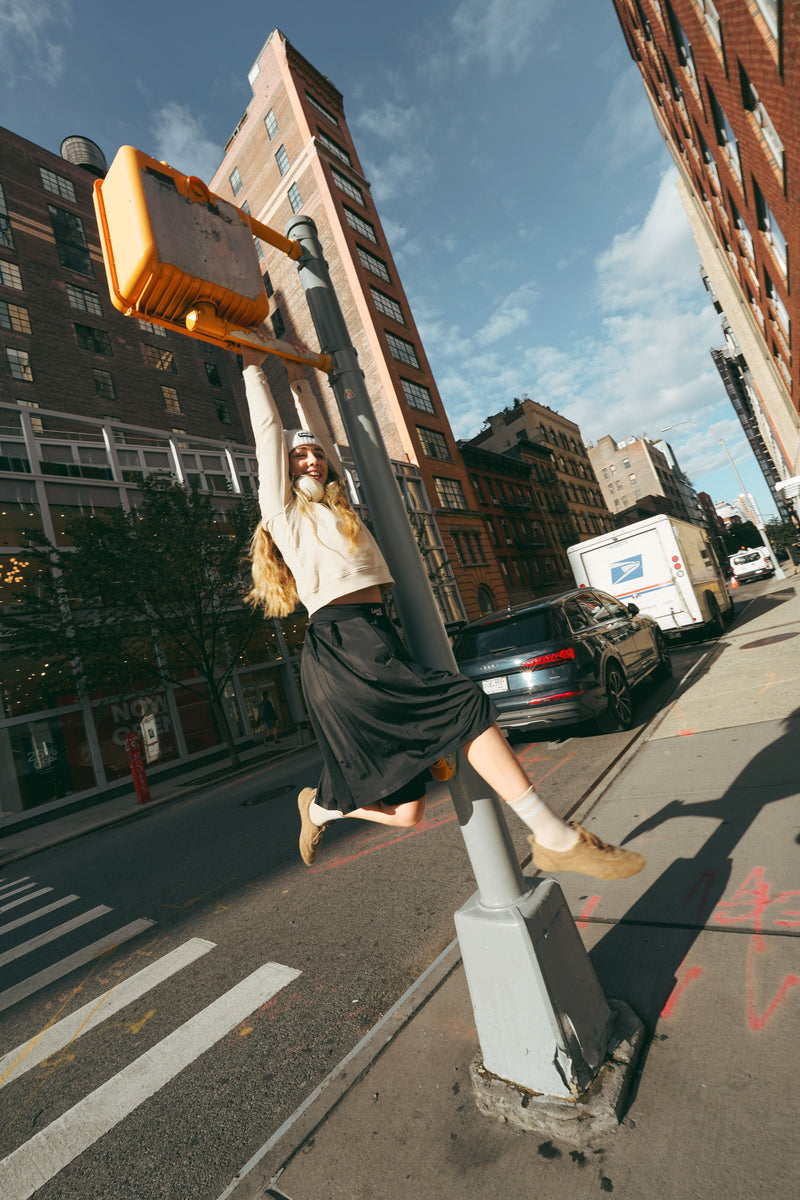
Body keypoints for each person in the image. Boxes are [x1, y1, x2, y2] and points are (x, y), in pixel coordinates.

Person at [240, 338, 645, 880]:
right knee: (465, 705)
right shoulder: (284, 512)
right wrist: (250, 362)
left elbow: (329, 442)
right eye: (299, 455)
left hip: (375, 635)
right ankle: (552, 835)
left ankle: (316, 807)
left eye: (314, 453)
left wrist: (299, 379)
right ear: (284, 471)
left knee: (408, 812)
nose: (311, 459)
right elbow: (269, 434)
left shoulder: (342, 506)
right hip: (340, 645)